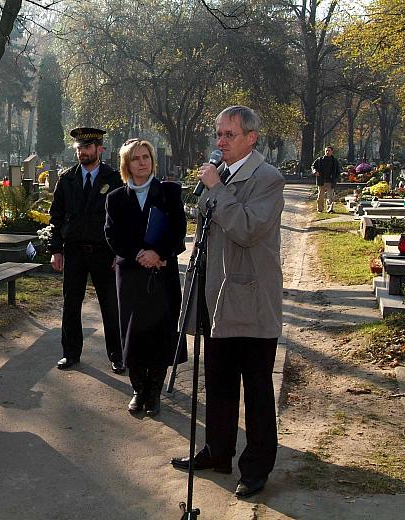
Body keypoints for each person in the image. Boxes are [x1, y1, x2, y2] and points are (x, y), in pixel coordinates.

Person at [170, 106, 284, 499]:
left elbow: (248, 229)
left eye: (228, 135)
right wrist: (211, 191)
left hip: (251, 299)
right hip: (214, 294)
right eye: (218, 134)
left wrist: (217, 190)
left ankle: (255, 468)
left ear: (251, 137)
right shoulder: (222, 177)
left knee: (255, 388)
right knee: (217, 382)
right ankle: (218, 451)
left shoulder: (268, 179)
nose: (220, 142)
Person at [104, 138, 187, 416]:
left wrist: (158, 254)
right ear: (126, 165)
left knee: (161, 333)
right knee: (134, 333)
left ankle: (154, 393)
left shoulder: (169, 193)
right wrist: (139, 253)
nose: (142, 162)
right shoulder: (115, 199)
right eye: (136, 158)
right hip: (131, 275)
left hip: (162, 274)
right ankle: (138, 391)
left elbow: (178, 231)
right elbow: (112, 234)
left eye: (146, 157)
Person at [47, 127, 124, 373]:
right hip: (74, 251)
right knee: (71, 305)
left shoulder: (113, 179)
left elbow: (122, 219)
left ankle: (117, 355)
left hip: (104, 251)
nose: (82, 152)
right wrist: (55, 250)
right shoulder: (67, 179)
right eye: (79, 148)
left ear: (99, 149)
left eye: (87, 147)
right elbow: (55, 217)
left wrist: (119, 252)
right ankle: (70, 354)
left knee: (110, 305)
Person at [312, 145, 340, 212]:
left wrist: (336, 179)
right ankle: (320, 209)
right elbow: (313, 166)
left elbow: (338, 171)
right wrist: (315, 171)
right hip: (321, 180)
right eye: (326, 151)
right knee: (320, 196)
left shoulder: (335, 161)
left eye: (329, 151)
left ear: (332, 152)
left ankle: (330, 209)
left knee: (330, 197)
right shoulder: (320, 160)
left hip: (331, 181)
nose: (327, 152)